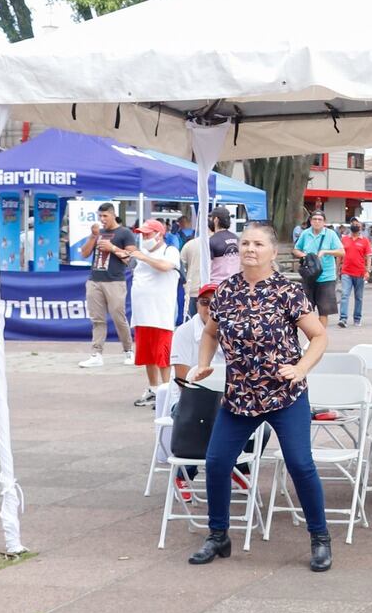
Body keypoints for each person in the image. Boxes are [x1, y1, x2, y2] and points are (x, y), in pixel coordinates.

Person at [185, 222, 333, 571]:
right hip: (239, 396)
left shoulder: (287, 291)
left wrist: (300, 369)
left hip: (285, 394)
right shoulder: (225, 291)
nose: (250, 249)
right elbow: (210, 332)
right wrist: (204, 363)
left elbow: (319, 337)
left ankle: (320, 538)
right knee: (217, 462)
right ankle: (218, 534)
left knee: (300, 464)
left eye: (258, 244)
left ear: (272, 251)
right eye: (244, 243)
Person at [167, 282, 225, 504]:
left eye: (215, 303)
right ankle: (185, 473)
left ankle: (237, 465)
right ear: (196, 304)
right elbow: (183, 379)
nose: (209, 308)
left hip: (224, 398)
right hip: (188, 400)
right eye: (204, 302)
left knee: (261, 424)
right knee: (204, 420)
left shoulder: (232, 331)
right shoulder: (184, 332)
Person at [128, 219, 180, 407]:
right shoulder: (142, 254)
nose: (144, 237)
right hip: (142, 315)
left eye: (148, 234)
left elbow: (165, 266)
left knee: (163, 356)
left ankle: (166, 391)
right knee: (147, 355)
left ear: (159, 233)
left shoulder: (170, 251)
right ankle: (153, 389)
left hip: (161, 315)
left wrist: (143, 257)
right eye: (142, 234)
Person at [80, 203, 134, 368]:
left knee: (119, 317)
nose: (102, 220)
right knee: (97, 319)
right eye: (100, 216)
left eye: (105, 216)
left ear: (113, 215)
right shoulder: (98, 233)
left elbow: (130, 258)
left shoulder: (125, 232)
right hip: (95, 279)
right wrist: (92, 236)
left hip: (115, 281)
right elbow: (84, 253)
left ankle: (128, 351)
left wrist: (112, 248)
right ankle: (96, 353)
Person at [295, 211, 345, 321]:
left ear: (324, 222)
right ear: (311, 221)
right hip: (309, 276)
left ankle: (321, 335)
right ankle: (311, 335)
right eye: (314, 219)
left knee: (324, 310)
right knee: (307, 309)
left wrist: (326, 252)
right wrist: (304, 255)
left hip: (326, 277)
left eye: (320, 219)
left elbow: (342, 252)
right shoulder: (305, 233)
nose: (317, 222)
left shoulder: (330, 234)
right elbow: (296, 249)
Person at [337, 219, 372, 328]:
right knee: (345, 295)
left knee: (359, 297)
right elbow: (339, 254)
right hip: (346, 271)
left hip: (360, 272)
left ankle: (357, 318)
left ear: (361, 227)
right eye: (353, 224)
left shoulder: (365, 241)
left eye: (357, 224)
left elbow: (368, 256)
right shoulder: (344, 239)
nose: (355, 226)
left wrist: (368, 270)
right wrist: (337, 267)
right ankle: (343, 318)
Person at [205, 210, 240, 287]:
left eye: (211, 218)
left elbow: (206, 266)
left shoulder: (211, 241)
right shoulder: (237, 239)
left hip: (216, 286)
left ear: (216, 220)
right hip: (234, 285)